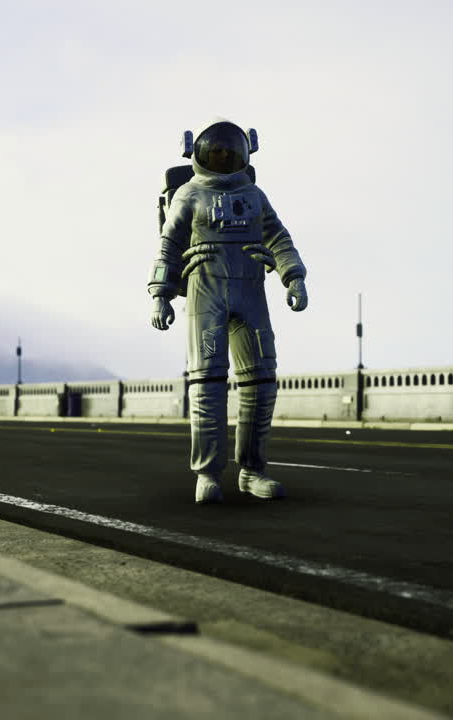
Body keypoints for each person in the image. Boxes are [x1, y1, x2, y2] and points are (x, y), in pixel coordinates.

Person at [147, 118, 309, 504]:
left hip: (251, 293)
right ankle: (208, 474)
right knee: (207, 386)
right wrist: (160, 292)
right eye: (215, 151)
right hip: (207, 292)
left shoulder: (254, 196)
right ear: (199, 154)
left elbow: (279, 236)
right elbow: (169, 244)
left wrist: (294, 277)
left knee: (261, 385)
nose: (222, 156)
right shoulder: (188, 195)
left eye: (228, 151)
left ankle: (252, 471)